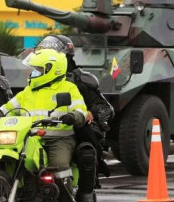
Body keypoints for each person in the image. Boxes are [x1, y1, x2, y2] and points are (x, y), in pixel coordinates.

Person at [0, 48, 88, 202]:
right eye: (33, 69)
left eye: (37, 69)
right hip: (30, 137)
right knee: (14, 162)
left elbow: (80, 110)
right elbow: (8, 108)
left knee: (59, 167)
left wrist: (73, 116)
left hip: (58, 138)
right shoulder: (29, 91)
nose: (32, 73)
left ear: (52, 70)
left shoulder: (68, 88)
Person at [35, 35, 115, 182]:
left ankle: (85, 195)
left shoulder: (80, 80)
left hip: (74, 130)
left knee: (86, 153)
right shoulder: (35, 79)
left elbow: (106, 109)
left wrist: (90, 113)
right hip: (38, 130)